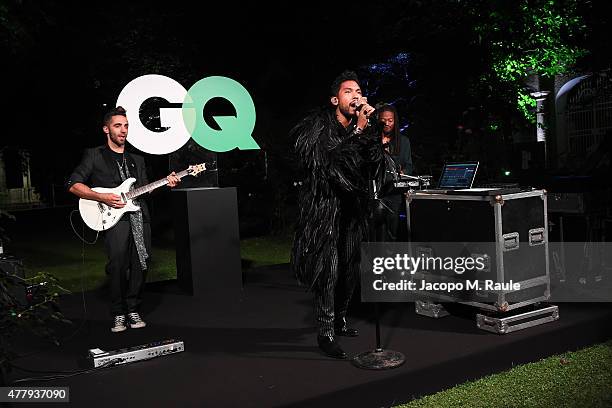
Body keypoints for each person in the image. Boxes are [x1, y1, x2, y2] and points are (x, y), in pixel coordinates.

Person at [290, 70, 383, 359]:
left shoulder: (361, 127)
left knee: (350, 266)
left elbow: (374, 164)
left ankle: (341, 318)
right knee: (328, 270)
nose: (355, 95)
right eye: (348, 91)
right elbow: (329, 167)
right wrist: (357, 132)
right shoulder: (318, 127)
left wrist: (370, 133)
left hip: (352, 210)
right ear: (335, 99)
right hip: (324, 210)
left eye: (358, 91)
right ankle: (325, 331)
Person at [66, 106, 181, 333]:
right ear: (106, 129)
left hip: (139, 216)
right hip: (113, 217)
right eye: (118, 125)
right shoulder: (95, 155)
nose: (123, 130)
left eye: (126, 126)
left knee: (141, 263)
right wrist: (101, 197)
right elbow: (73, 184)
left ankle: (133, 308)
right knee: (117, 264)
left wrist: (166, 184)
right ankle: (118, 312)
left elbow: (144, 190)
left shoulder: (136, 159)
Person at [375, 104, 413, 241]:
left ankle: (391, 258)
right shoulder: (373, 141)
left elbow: (409, 165)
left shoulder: (404, 141)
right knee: (376, 232)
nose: (387, 123)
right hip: (377, 193)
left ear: (395, 121)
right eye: (383, 120)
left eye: (390, 120)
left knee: (393, 231)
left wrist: (404, 172)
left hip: (394, 194)